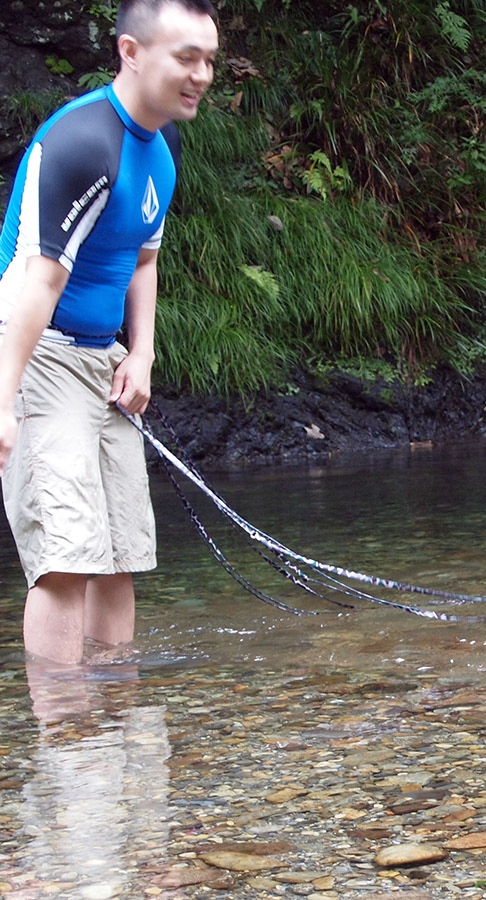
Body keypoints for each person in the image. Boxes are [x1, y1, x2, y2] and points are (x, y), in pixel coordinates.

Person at [0, 0, 219, 666]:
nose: (202, 75)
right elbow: (35, 282)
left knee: (120, 554)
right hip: (38, 355)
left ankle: (116, 719)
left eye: (210, 60)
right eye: (186, 57)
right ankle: (67, 739)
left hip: (106, 358)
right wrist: (4, 400)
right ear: (130, 51)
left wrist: (143, 353)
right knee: (66, 559)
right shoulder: (83, 142)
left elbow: (143, 257)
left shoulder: (166, 142)